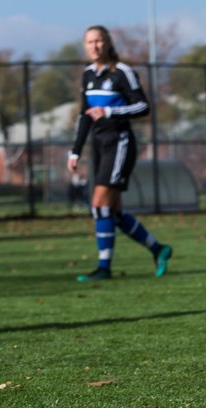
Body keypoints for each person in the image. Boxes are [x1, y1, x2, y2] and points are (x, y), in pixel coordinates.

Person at [68, 25, 173, 281]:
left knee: (98, 205)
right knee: (112, 212)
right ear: (85, 46)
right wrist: (75, 151)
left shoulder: (122, 72)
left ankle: (104, 268)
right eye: (89, 42)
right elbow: (84, 115)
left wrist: (111, 112)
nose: (94, 46)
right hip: (99, 146)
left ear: (108, 43)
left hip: (120, 143)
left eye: (99, 41)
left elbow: (143, 107)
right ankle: (159, 249)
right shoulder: (87, 75)